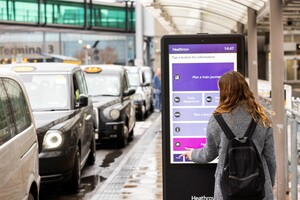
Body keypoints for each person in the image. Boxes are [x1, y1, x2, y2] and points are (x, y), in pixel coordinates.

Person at [180, 71, 276, 200]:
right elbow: (271, 159)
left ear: (224, 92)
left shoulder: (217, 119)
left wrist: (192, 154)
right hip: (259, 190)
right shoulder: (262, 116)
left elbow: (209, 154)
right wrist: (269, 184)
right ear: (245, 88)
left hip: (227, 190)